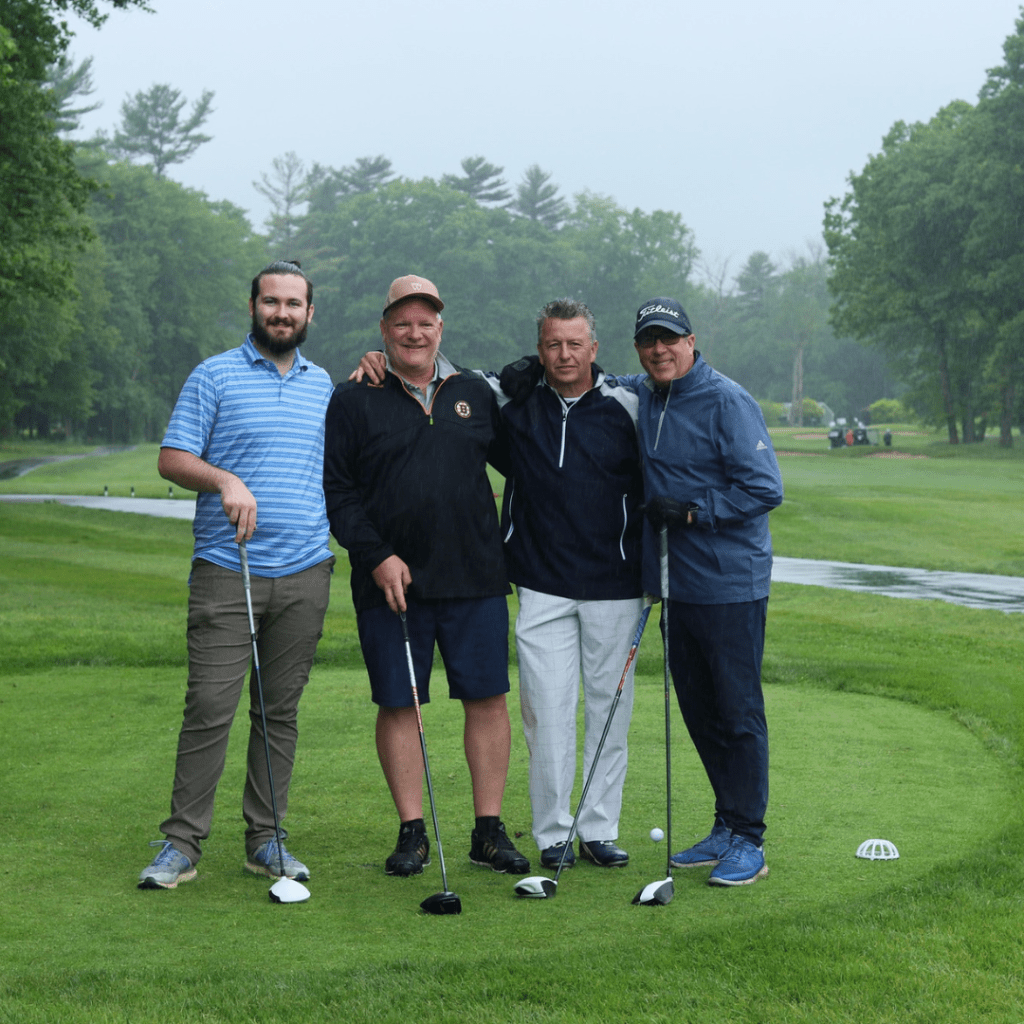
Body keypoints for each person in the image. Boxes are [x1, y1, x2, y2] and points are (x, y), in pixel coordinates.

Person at [323, 274, 531, 877]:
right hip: (391, 583)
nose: (414, 333)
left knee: (487, 700)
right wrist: (376, 555)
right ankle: (412, 831)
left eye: (425, 322)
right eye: (402, 323)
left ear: (441, 328)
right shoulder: (353, 398)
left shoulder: (473, 392)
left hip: (475, 577)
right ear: (384, 329)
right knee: (400, 704)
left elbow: (523, 462)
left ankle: (488, 832)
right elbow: (338, 492)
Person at [138, 260, 335, 890]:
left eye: (294, 304)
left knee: (278, 713)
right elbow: (173, 457)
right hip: (228, 568)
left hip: (306, 569)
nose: (282, 313)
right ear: (253, 307)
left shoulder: (324, 385)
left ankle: (266, 841)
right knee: (210, 707)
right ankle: (181, 844)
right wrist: (225, 479)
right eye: (271, 301)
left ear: (309, 313)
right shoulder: (214, 374)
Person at [625, 296, 784, 887]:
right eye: (649, 341)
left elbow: (764, 487)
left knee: (737, 712)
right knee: (700, 711)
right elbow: (583, 376)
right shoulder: (645, 393)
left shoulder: (727, 400)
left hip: (731, 583)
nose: (659, 349)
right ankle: (726, 822)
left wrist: (694, 511)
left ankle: (749, 839)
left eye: (670, 338)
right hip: (678, 586)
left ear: (691, 342)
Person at [492, 300, 645, 869]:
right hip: (541, 582)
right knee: (547, 713)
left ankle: (597, 828)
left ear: (594, 348)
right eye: (553, 344)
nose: (564, 354)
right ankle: (555, 834)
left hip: (616, 583)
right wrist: (376, 358)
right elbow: (440, 371)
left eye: (575, 344)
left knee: (610, 711)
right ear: (540, 349)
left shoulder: (629, 405)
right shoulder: (514, 401)